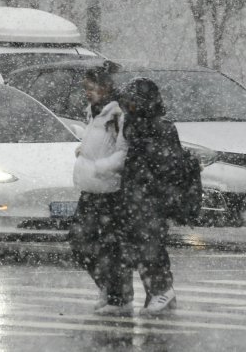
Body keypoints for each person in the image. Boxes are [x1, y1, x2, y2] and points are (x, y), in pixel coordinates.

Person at [68, 62, 132, 316]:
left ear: (106, 87)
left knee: (108, 247)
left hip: (109, 193)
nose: (87, 92)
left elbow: (122, 153)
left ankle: (118, 298)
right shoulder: (93, 113)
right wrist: (85, 153)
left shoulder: (116, 116)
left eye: (91, 87)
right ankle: (107, 288)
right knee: (79, 242)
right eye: (85, 87)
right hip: (91, 190)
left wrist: (100, 167)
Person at [118, 77, 183, 316]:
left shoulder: (160, 128)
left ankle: (161, 291)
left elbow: (170, 166)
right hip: (136, 195)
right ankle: (157, 292)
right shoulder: (132, 125)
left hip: (151, 197)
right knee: (140, 246)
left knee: (150, 246)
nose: (129, 107)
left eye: (134, 102)